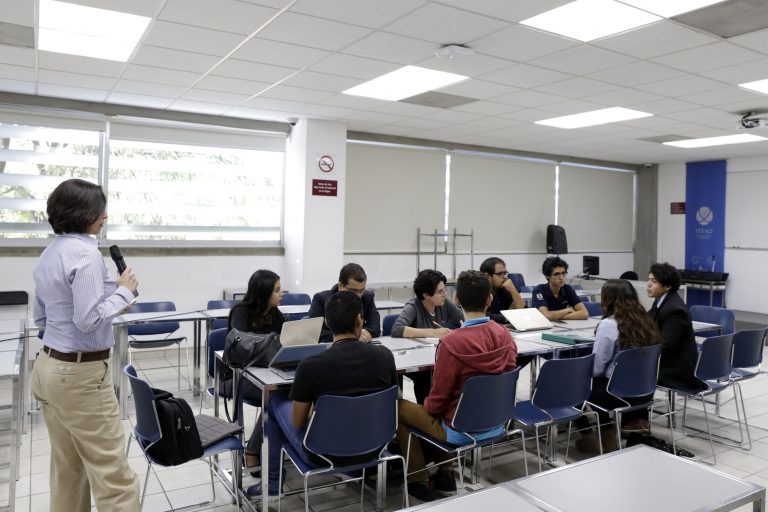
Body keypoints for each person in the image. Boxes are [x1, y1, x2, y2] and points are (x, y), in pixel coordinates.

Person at [31, 178, 140, 512]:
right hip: (80, 376)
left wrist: (116, 297)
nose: (105, 215)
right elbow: (88, 320)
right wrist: (124, 292)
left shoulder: (50, 254)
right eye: (100, 209)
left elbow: (42, 319)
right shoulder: (87, 255)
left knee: (69, 471)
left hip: (48, 368)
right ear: (82, 213)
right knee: (115, 479)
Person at [247, 291, 398, 497]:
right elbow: (392, 400)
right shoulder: (385, 357)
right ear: (360, 319)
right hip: (377, 446)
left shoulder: (311, 365)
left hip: (322, 454)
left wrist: (316, 414)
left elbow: (298, 422)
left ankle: (272, 485)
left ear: (326, 322)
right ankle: (354, 469)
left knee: (274, 399)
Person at [397, 270, 517, 502]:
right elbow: (508, 374)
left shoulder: (450, 344)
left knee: (399, 407)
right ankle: (445, 473)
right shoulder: (505, 336)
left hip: (461, 429)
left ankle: (418, 479)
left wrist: (427, 406)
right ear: (490, 299)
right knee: (441, 407)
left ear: (457, 300)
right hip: (498, 422)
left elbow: (439, 399)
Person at [574, 279, 663, 454]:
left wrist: (577, 372)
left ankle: (590, 436)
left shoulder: (608, 325)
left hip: (617, 395)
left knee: (575, 385)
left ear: (609, 299)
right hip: (644, 393)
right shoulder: (646, 321)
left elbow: (597, 368)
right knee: (598, 385)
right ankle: (608, 438)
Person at [227, 269, 284, 477]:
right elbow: (242, 347)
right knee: (275, 394)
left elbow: (283, 340)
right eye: (277, 290)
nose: (281, 294)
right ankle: (252, 449)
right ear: (264, 293)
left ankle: (278, 444)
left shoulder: (275, 314)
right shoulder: (240, 312)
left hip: (268, 372)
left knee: (294, 388)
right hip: (239, 376)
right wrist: (271, 343)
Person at [391, 269, 464, 403]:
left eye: (444, 290)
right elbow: (396, 329)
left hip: (436, 356)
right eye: (440, 291)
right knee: (425, 377)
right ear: (426, 295)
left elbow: (463, 319)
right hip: (415, 360)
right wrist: (432, 332)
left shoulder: (444, 303)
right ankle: (426, 413)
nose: (444, 294)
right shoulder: (413, 306)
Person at [647, 262, 703, 391]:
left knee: (626, 367)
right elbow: (646, 320)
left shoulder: (674, 309)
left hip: (676, 370)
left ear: (667, 286)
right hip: (669, 362)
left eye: (654, 281)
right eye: (649, 280)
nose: (648, 284)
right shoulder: (661, 300)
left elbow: (667, 345)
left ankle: (635, 406)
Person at [309, 263, 380, 343]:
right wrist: (352, 336)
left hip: (359, 346)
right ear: (340, 286)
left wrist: (363, 334)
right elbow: (315, 333)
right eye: (353, 291)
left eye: (362, 290)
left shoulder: (367, 297)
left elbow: (375, 327)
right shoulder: (321, 299)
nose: (358, 295)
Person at [532, 256, 588, 321]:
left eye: (563, 273)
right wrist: (567, 310)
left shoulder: (568, 289)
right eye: (557, 274)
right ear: (547, 276)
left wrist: (556, 317)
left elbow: (584, 314)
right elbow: (546, 316)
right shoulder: (539, 290)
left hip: (561, 327)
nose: (561, 278)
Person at [479, 257, 525, 324]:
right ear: (487, 276)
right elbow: (481, 317)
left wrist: (513, 290)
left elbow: (525, 313)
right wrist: (509, 315)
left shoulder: (504, 290)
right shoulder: (478, 292)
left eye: (505, 273)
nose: (505, 277)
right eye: (500, 274)